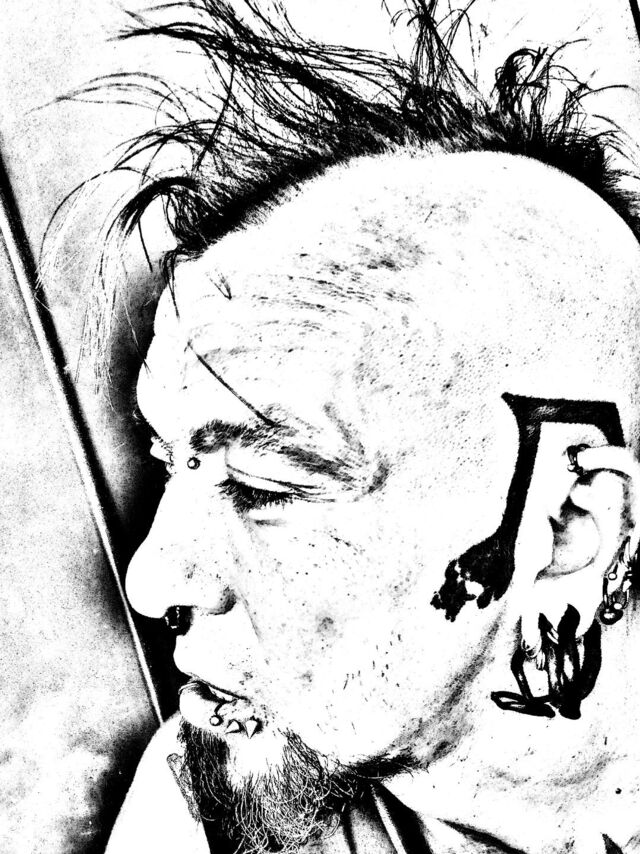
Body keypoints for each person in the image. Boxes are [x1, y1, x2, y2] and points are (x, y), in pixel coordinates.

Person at [73, 1, 640, 851]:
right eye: (170, 459)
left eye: (266, 485)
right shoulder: (210, 796)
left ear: (568, 527)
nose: (153, 582)